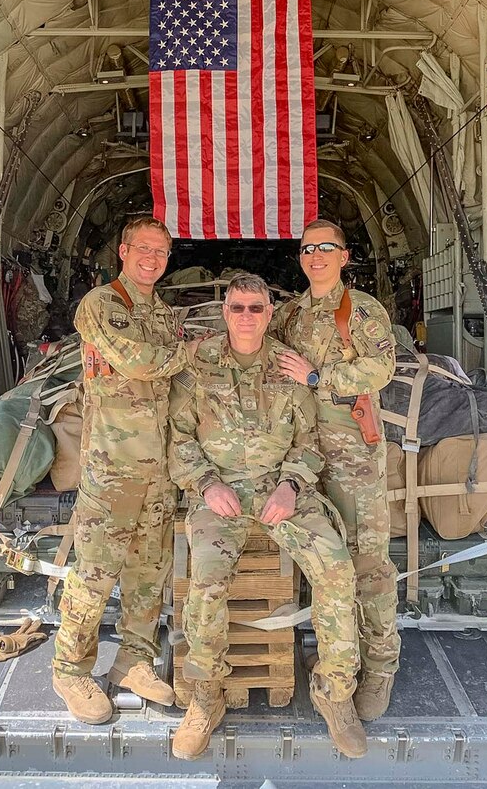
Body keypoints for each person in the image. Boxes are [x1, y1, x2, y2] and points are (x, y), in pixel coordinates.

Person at [168, 273, 367, 761]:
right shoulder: (199, 365)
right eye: (237, 308)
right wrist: (207, 484)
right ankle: (207, 696)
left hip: (283, 489)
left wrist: (291, 484)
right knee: (206, 586)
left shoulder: (288, 367)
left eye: (256, 308)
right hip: (220, 493)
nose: (246, 317)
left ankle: (335, 693)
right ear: (224, 311)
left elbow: (309, 443)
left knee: (337, 570)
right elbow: (179, 438)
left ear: (269, 313)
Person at [52, 216, 195, 723]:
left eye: (161, 252)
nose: (152, 259)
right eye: (144, 249)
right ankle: (70, 670)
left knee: (147, 575)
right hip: (112, 470)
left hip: (157, 472)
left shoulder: (162, 313)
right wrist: (187, 353)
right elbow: (136, 361)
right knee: (93, 575)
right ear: (124, 250)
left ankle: (134, 660)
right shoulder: (102, 304)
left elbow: (175, 386)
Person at [273, 218, 400, 722]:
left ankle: (380, 668)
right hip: (303, 454)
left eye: (327, 247)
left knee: (368, 565)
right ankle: (334, 658)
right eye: (308, 249)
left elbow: (379, 368)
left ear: (344, 257)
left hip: (352, 458)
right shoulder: (289, 316)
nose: (316, 255)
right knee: (324, 566)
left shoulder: (361, 311)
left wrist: (317, 376)